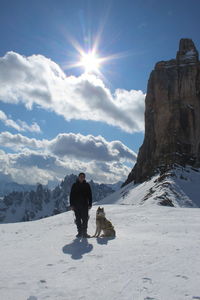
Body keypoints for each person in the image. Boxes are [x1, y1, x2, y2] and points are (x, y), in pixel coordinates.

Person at [70, 172, 92, 238]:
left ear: (84, 178)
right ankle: (79, 232)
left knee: (85, 219)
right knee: (78, 219)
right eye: (81, 176)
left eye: (83, 177)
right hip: (76, 205)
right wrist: (71, 205)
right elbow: (71, 195)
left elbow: (90, 195)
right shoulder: (74, 185)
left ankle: (84, 233)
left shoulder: (87, 185)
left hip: (85, 205)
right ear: (78, 177)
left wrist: (90, 204)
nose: (82, 178)